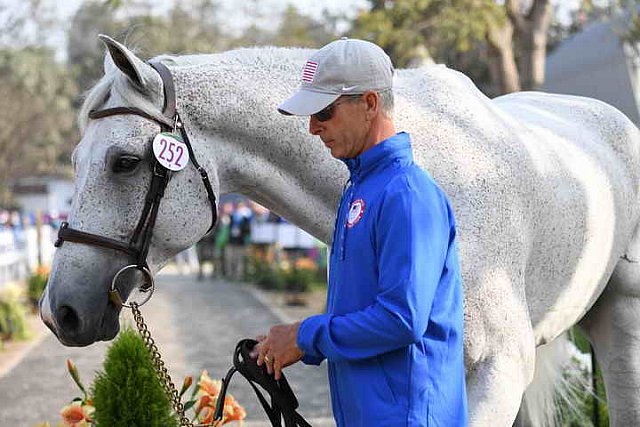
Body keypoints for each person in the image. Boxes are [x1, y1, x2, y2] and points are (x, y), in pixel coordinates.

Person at [253, 38, 468, 426]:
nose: (313, 127)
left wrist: (306, 336)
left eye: (325, 111)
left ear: (369, 104)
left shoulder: (407, 195)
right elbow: (362, 310)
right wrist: (296, 339)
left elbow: (402, 319)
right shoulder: (361, 188)